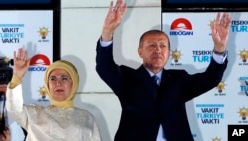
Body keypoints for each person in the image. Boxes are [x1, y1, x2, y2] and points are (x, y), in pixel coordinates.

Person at [95, 0, 231, 140]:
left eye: (162, 46)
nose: (158, 50)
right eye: (152, 45)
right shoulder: (127, 79)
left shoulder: (179, 79)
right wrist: (107, 32)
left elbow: (210, 79)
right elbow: (104, 67)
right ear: (140, 52)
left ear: (169, 52)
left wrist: (219, 49)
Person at [6, 48, 102, 141]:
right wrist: (17, 76)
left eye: (64, 78)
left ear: (74, 83)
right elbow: (14, 108)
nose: (58, 83)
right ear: (47, 85)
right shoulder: (34, 113)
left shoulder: (86, 117)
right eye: (53, 79)